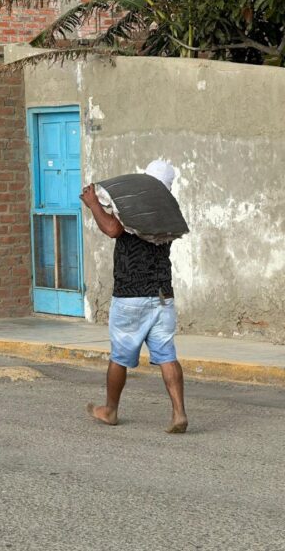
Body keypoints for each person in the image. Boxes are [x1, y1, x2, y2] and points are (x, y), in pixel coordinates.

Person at [80, 159, 188, 434]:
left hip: (132, 295)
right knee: (167, 355)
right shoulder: (168, 210)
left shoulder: (137, 206)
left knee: (120, 356)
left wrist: (94, 204)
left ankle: (110, 410)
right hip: (163, 294)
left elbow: (114, 229)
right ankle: (178, 413)